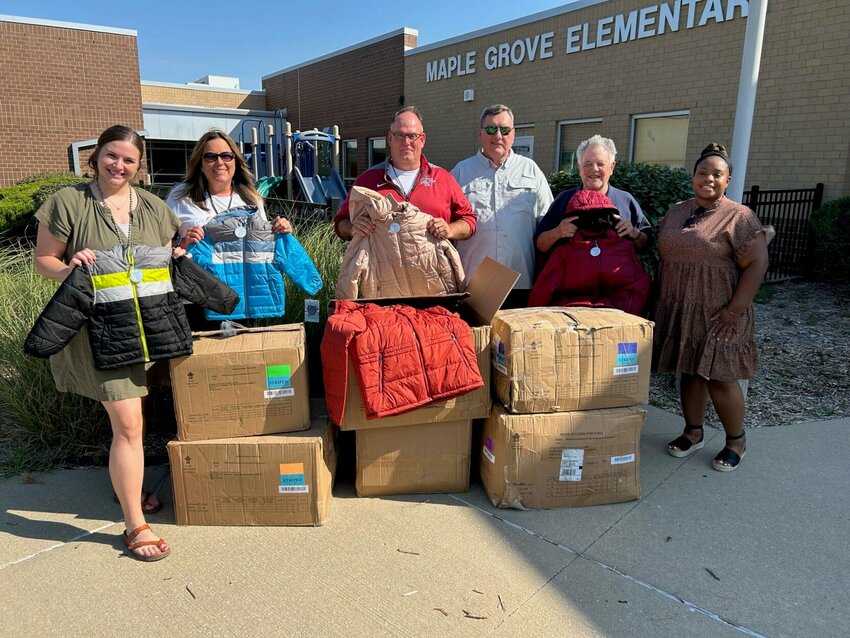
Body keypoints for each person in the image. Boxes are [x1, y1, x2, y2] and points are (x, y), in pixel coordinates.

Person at [34, 125, 182, 560]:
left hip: (151, 332)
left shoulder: (156, 208)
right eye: (111, 156)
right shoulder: (68, 203)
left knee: (134, 422)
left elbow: (164, 263)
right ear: (96, 156)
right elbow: (44, 259)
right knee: (129, 425)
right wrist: (69, 268)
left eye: (129, 160)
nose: (119, 166)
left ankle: (128, 489)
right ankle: (135, 524)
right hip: (102, 334)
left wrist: (178, 255)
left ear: (140, 166)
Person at [653, 143, 769, 472]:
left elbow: (758, 263)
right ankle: (693, 432)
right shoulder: (677, 210)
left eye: (717, 174)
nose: (708, 178)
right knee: (689, 368)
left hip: (720, 310)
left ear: (727, 179)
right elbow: (657, 238)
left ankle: (736, 441)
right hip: (680, 306)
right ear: (693, 177)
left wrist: (735, 311)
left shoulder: (739, 216)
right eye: (702, 172)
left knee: (720, 376)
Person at [451, 104, 553, 306]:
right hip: (474, 280)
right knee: (478, 337)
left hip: (521, 279)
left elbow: (547, 223)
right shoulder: (460, 173)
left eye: (504, 130)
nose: (498, 135)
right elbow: (449, 226)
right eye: (491, 129)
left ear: (513, 134)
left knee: (517, 338)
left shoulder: (531, 170)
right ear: (480, 133)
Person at [334, 106, 476, 243]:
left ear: (422, 139)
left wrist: (450, 229)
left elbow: (469, 221)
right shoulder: (367, 180)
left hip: (432, 267)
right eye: (400, 135)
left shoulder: (443, 178)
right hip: (381, 267)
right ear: (390, 138)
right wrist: (353, 228)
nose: (406, 142)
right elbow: (341, 222)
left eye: (412, 136)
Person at [535, 135, 651, 268]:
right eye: (588, 164)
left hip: (618, 286)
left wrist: (634, 233)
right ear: (579, 167)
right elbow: (540, 245)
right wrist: (558, 232)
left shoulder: (626, 201)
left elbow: (646, 244)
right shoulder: (564, 200)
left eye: (600, 164)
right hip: (573, 286)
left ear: (612, 167)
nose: (594, 169)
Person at [166, 129, 292, 248]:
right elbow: (161, 245)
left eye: (226, 156)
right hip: (196, 271)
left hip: (244, 271)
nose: (219, 162)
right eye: (210, 156)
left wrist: (282, 230)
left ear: (235, 162)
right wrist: (183, 243)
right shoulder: (181, 196)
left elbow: (263, 244)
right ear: (200, 164)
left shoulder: (251, 199)